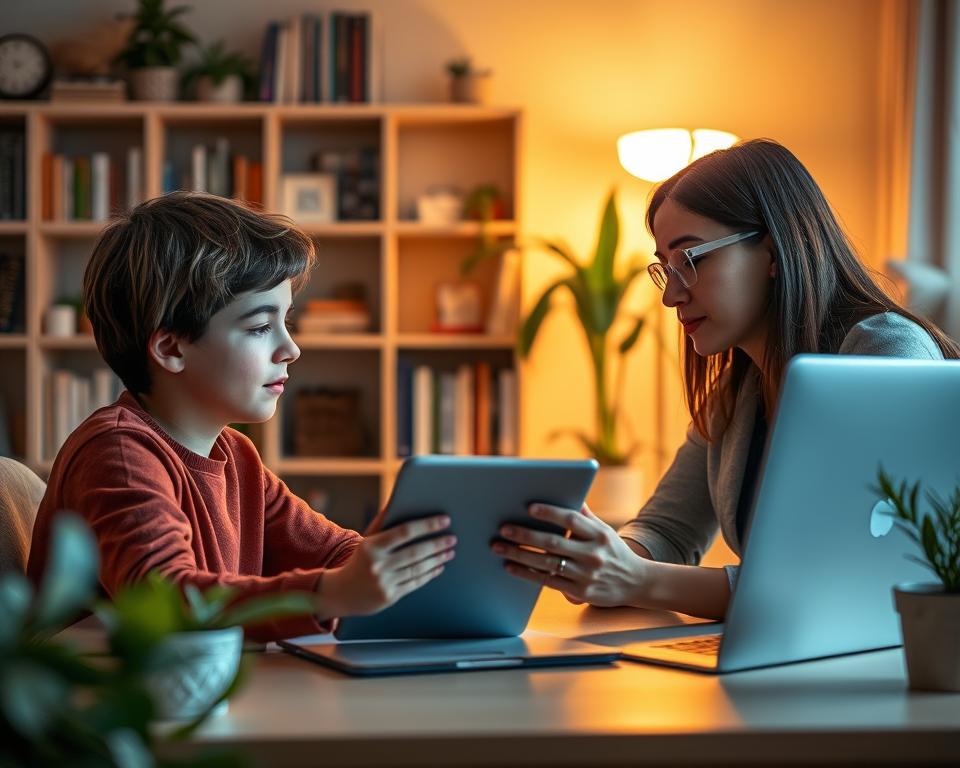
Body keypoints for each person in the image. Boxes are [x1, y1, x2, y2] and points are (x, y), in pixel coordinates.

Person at [493, 139, 960, 620]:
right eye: (666, 269)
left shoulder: (886, 352)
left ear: (774, 253)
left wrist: (640, 580)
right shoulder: (738, 393)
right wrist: (604, 555)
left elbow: (847, 579)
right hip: (785, 660)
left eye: (691, 260)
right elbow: (667, 531)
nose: (671, 296)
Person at [27, 192, 456, 641]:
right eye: (258, 327)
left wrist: (445, 558)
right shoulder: (117, 452)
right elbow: (165, 602)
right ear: (171, 348)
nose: (290, 349)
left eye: (285, 321)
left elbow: (335, 556)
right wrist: (330, 594)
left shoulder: (235, 456)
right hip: (106, 707)